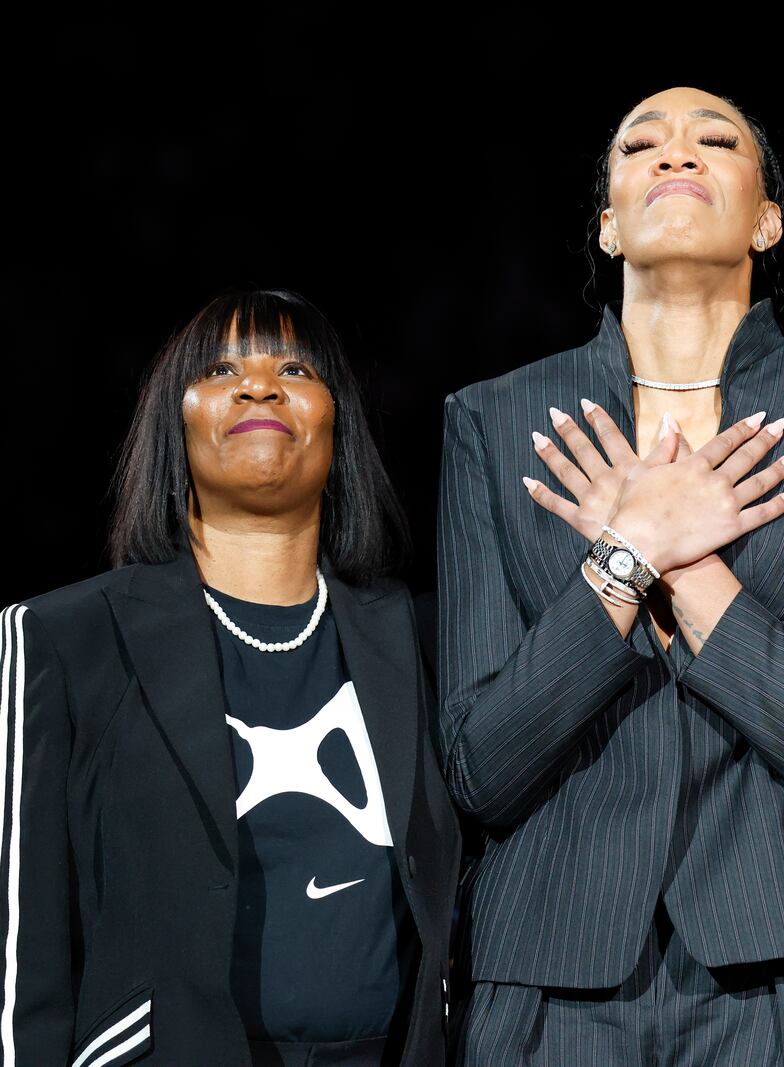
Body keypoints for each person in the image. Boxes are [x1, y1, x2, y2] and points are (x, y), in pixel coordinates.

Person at [438, 86, 784, 1065]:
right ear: (609, 225)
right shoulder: (494, 422)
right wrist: (622, 565)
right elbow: (481, 767)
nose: (676, 154)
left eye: (715, 141)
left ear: (767, 219)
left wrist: (690, 567)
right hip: (544, 977)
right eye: (641, 145)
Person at [0, 290, 462, 1066]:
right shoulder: (65, 637)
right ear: (170, 425)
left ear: (335, 422)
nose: (259, 385)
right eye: (220, 368)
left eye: (294, 366)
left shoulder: (421, 638)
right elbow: (25, 957)